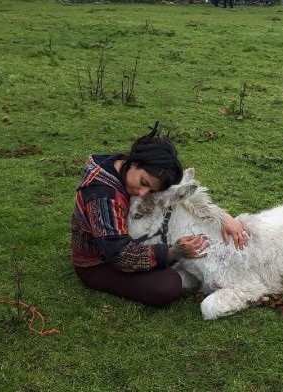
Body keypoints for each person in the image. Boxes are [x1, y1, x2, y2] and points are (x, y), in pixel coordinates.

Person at [71, 123, 249, 307]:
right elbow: (120, 256)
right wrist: (173, 252)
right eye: (143, 182)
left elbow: (175, 193)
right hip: (99, 262)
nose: (142, 192)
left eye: (149, 188)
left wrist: (223, 217)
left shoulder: (127, 166)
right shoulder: (103, 196)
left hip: (128, 242)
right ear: (134, 162)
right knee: (167, 285)